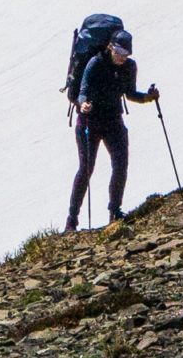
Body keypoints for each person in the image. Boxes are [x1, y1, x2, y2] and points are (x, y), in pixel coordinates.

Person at [66, 27, 158, 232]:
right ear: (110, 47)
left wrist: (147, 97)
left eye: (125, 54)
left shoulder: (129, 67)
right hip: (89, 121)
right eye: (118, 52)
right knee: (86, 169)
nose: (121, 57)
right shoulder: (95, 63)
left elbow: (130, 93)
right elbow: (83, 91)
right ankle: (72, 219)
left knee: (120, 164)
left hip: (113, 121)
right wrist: (83, 105)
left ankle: (114, 211)